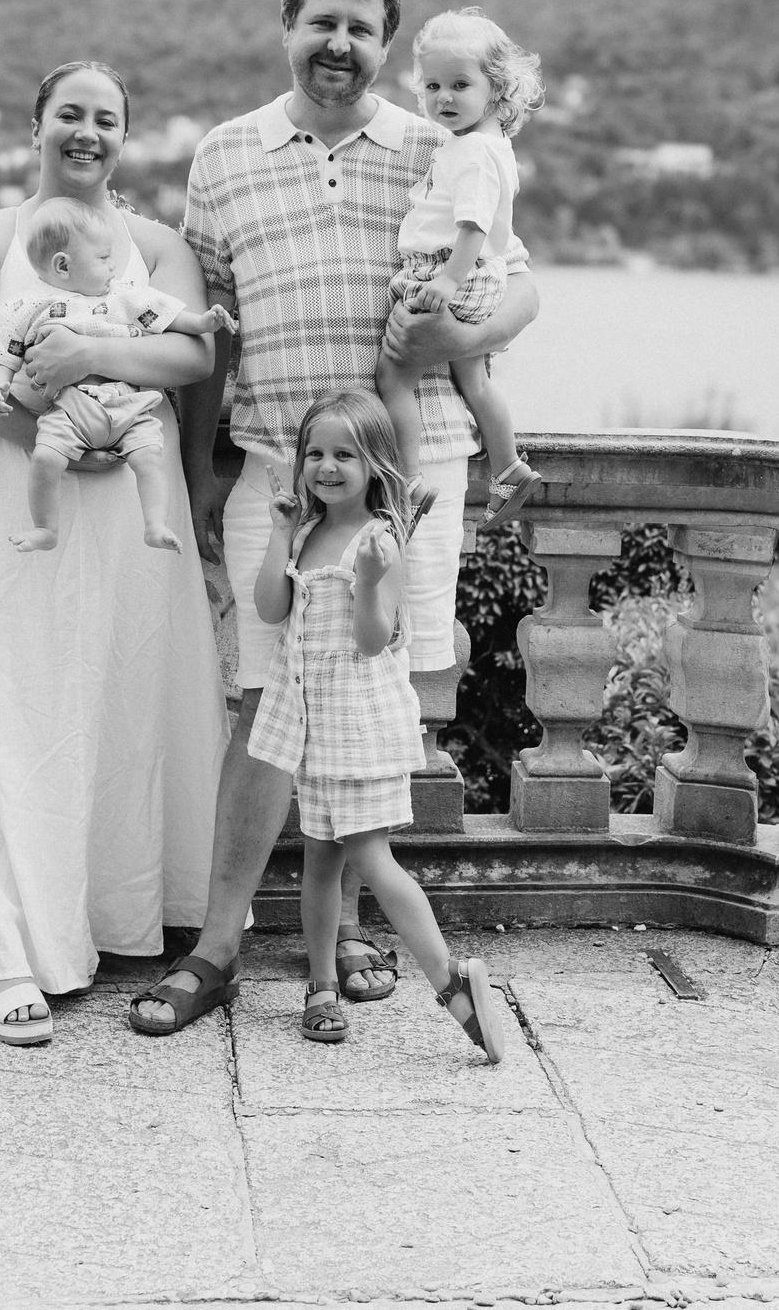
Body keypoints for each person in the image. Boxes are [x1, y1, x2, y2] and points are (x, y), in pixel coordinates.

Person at [131, 0, 542, 1035]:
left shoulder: (438, 142)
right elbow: (208, 330)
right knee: (265, 700)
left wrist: (456, 331)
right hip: (274, 463)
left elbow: (518, 287)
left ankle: (342, 931)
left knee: (370, 696)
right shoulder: (223, 155)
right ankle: (219, 949)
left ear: (388, 45)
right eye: (324, 21)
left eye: (363, 28)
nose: (341, 45)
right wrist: (195, 464)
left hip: (414, 465)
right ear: (288, 26)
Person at [0, 60, 227, 1047]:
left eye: (106, 119)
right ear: (36, 124)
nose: (86, 132)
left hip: (135, 513)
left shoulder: (157, 246)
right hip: (27, 497)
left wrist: (92, 362)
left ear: (124, 136)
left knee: (124, 704)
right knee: (17, 707)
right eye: (69, 115)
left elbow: (191, 357)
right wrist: (46, 439)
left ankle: (107, 916)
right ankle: (5, 950)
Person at [253, 391, 515, 1060]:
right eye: (315, 452)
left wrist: (369, 582)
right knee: (318, 861)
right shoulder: (309, 532)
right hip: (315, 729)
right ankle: (319, 986)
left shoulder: (379, 540)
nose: (327, 465)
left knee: (371, 857)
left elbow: (374, 640)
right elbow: (269, 606)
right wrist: (280, 532)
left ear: (374, 464)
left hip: (360, 726)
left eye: (344, 453)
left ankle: (451, 983)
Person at [0, 194, 236, 553]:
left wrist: (204, 321)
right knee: (46, 457)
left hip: (128, 404)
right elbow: (5, 347)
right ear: (63, 266)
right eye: (102, 258)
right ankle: (46, 528)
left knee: (148, 455)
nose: (113, 267)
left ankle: (155, 523)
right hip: (69, 409)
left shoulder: (122, 296)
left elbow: (164, 314)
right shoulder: (30, 306)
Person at [376, 9, 545, 531]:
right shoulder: (492, 146)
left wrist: (446, 281)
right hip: (480, 274)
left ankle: (408, 480)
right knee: (472, 376)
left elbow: (472, 227)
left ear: (496, 90)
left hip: (454, 271)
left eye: (459, 84)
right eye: (432, 85)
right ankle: (508, 466)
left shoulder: (471, 151)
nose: (443, 97)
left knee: (394, 373)